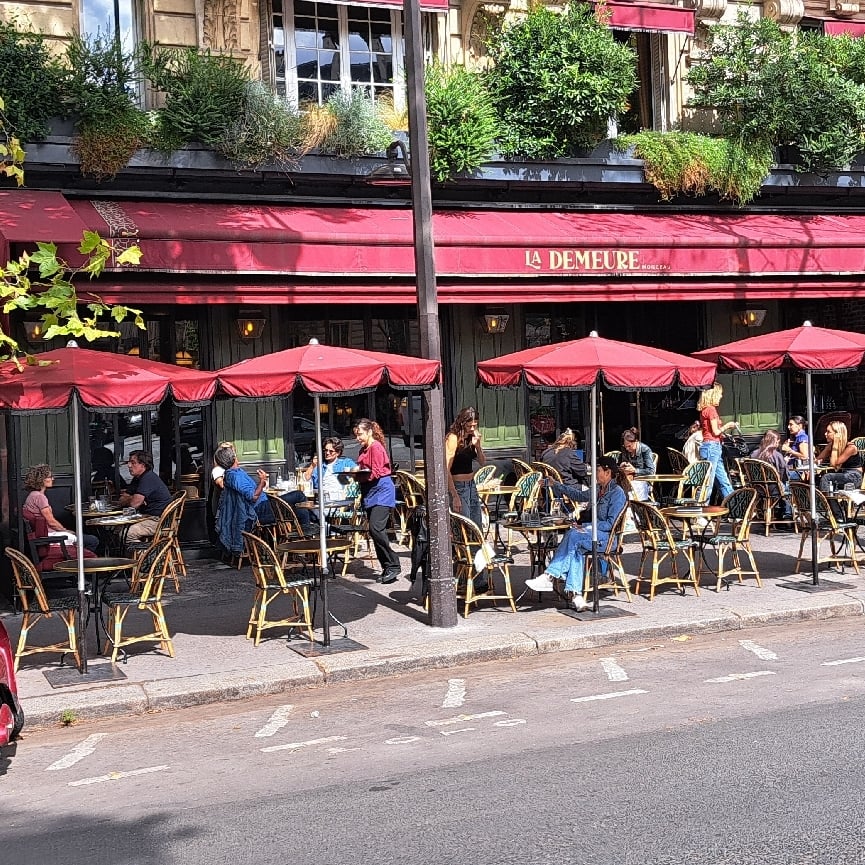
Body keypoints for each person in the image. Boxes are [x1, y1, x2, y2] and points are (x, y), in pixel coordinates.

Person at [524, 456, 629, 611]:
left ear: (607, 473)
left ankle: (549, 576)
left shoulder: (617, 493)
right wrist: (556, 485)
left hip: (608, 538)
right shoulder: (598, 489)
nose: (595, 474)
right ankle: (577, 597)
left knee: (574, 535)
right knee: (575, 545)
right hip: (593, 534)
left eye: (598, 470)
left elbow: (610, 524)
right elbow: (579, 495)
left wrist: (586, 526)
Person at [354, 418, 400, 583]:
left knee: (376, 528)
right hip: (369, 492)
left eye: (360, 434)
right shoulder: (363, 449)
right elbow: (365, 469)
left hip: (382, 491)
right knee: (374, 531)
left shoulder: (376, 447)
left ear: (369, 432)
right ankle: (387, 567)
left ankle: (393, 564)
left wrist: (359, 476)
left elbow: (377, 471)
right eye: (356, 435)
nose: (358, 438)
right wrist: (355, 474)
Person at [22, 464, 99, 552]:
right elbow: (51, 521)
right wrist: (65, 530)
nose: (53, 479)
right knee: (92, 540)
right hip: (50, 536)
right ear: (41, 479)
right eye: (50, 477)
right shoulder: (39, 497)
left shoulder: (32, 495)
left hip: (45, 534)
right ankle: (81, 559)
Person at [119, 450, 172, 544]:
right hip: (146, 517)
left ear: (143, 465)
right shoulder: (137, 479)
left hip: (159, 521)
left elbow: (134, 504)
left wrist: (133, 499)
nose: (129, 465)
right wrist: (133, 498)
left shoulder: (148, 478)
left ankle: (144, 553)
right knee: (118, 529)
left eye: (133, 463)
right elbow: (122, 500)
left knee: (127, 533)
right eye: (129, 462)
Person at [445, 407, 486, 529]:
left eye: (475, 425)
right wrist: (454, 495)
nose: (472, 429)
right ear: (462, 423)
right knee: (464, 524)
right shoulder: (453, 438)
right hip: (458, 485)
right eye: (469, 426)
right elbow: (446, 468)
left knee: (476, 523)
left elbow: (482, 462)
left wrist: (478, 446)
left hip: (471, 484)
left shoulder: (472, 437)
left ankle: (476, 542)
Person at [697, 383, 737, 501]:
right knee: (708, 482)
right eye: (720, 394)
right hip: (712, 447)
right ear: (713, 394)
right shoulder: (711, 410)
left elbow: (709, 430)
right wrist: (728, 426)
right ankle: (700, 508)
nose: (721, 396)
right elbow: (715, 431)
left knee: (723, 480)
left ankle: (734, 505)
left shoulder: (705, 410)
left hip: (710, 446)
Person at [303, 436, 356, 501]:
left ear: (338, 453)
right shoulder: (321, 465)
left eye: (331, 451)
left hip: (341, 498)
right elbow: (306, 479)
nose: (327, 453)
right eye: (326, 450)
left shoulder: (345, 462)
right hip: (323, 498)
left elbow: (357, 472)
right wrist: (312, 465)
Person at [816, 421, 863, 492]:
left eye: (828, 432)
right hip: (841, 474)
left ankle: (826, 499)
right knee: (816, 479)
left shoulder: (850, 448)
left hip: (853, 476)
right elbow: (818, 459)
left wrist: (835, 445)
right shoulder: (830, 445)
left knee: (827, 477)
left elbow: (834, 464)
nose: (825, 434)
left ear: (837, 434)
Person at [618, 427, 656, 501]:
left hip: (642, 480)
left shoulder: (645, 450)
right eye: (625, 446)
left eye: (629, 446)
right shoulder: (625, 450)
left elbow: (651, 471)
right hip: (627, 478)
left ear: (636, 441)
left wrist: (635, 470)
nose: (627, 449)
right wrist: (622, 465)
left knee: (630, 489)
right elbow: (621, 463)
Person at [781, 415, 810, 480]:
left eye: (791, 424)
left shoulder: (802, 438)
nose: (788, 427)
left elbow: (804, 456)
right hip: (793, 469)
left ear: (799, 426)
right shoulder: (797, 438)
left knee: (778, 475)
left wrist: (789, 450)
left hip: (798, 472)